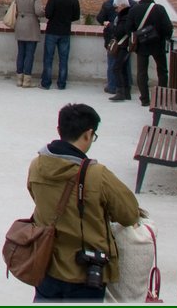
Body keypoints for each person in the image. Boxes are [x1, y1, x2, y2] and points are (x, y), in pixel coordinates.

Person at [26, 103, 142, 300]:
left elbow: (35, 196)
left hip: (46, 264)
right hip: (85, 273)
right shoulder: (97, 174)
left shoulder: (37, 165)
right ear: (88, 134)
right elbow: (129, 214)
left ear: (59, 130)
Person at [128, 0, 174, 107]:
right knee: (162, 71)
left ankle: (144, 99)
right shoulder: (159, 9)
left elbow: (129, 28)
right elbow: (168, 28)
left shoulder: (134, 9)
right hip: (158, 44)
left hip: (142, 44)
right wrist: (164, 37)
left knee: (142, 72)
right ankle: (162, 97)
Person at [41, 0, 81, 91]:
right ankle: (62, 84)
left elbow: (48, 14)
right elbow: (76, 16)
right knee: (63, 59)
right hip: (65, 31)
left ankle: (46, 83)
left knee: (48, 58)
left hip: (52, 30)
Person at [96, 0, 132, 96]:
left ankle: (112, 86)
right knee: (126, 63)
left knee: (112, 62)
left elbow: (100, 18)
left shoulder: (108, 3)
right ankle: (127, 86)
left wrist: (108, 23)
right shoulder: (133, 4)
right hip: (127, 39)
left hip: (112, 38)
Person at [12, 0, 47, 88]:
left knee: (21, 53)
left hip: (19, 24)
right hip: (31, 25)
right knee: (29, 54)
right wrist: (44, 11)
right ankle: (27, 80)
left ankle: (19, 79)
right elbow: (38, 12)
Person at [106, 0, 135, 102]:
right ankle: (126, 92)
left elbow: (119, 32)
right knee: (122, 68)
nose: (116, 9)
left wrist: (110, 26)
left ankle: (120, 92)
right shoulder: (129, 14)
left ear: (122, 5)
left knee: (117, 68)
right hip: (126, 45)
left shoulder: (124, 16)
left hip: (123, 46)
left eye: (117, 7)